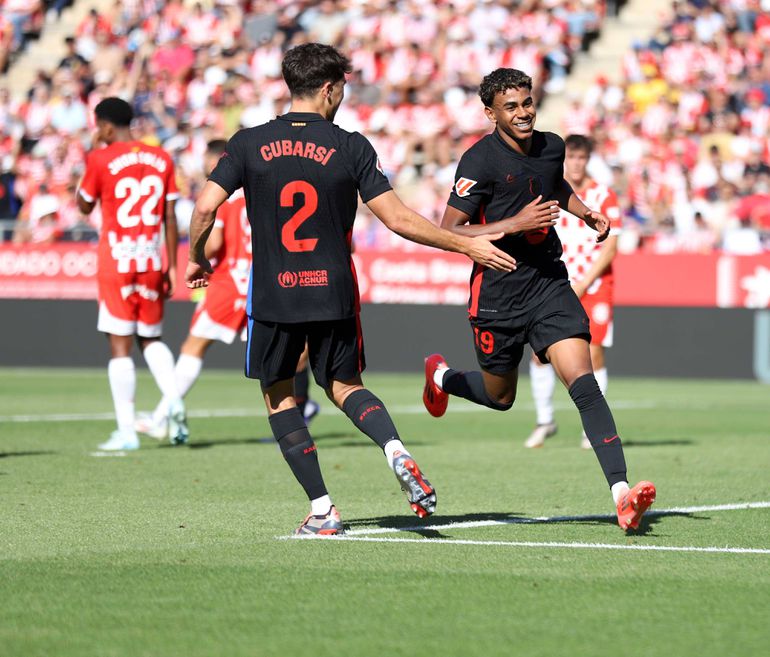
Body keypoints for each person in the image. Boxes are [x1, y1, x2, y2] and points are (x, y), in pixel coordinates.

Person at [185, 43, 516, 535]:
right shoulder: (350, 145)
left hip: (275, 292)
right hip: (333, 289)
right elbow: (399, 219)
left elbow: (205, 208)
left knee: (279, 396)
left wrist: (196, 256)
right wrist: (465, 245)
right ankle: (394, 449)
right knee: (345, 386)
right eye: (342, 88)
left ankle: (323, 509)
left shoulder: (248, 142)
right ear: (328, 88)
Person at [421, 69, 655, 531]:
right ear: (490, 113)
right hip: (497, 292)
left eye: (527, 102)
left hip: (548, 283)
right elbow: (449, 230)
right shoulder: (478, 161)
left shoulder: (552, 146)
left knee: (584, 383)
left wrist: (584, 212)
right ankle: (442, 377)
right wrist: (514, 223)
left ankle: (622, 495)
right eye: (511, 106)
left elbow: (554, 184)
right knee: (500, 396)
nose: (523, 112)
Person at [136, 139, 319, 439]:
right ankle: (300, 410)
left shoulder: (225, 196)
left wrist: (196, 251)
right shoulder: (269, 191)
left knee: (194, 347)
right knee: (290, 352)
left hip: (231, 282)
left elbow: (215, 243)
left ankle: (161, 416)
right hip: (266, 282)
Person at [77, 97, 188, 451]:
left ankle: (126, 432)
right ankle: (174, 400)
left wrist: (92, 153)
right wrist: (172, 265)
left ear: (106, 127)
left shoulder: (101, 158)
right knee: (150, 338)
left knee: (120, 345)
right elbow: (170, 216)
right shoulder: (161, 157)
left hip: (117, 261)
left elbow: (84, 205)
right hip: (152, 260)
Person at [524, 134, 621, 450]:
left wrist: (583, 283)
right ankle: (544, 421)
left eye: (582, 158)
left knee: (593, 353)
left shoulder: (603, 195)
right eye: (572, 158)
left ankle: (593, 428)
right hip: (555, 283)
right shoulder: (553, 192)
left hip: (594, 285)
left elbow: (610, 249)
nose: (577, 164)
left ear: (588, 160)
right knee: (540, 352)